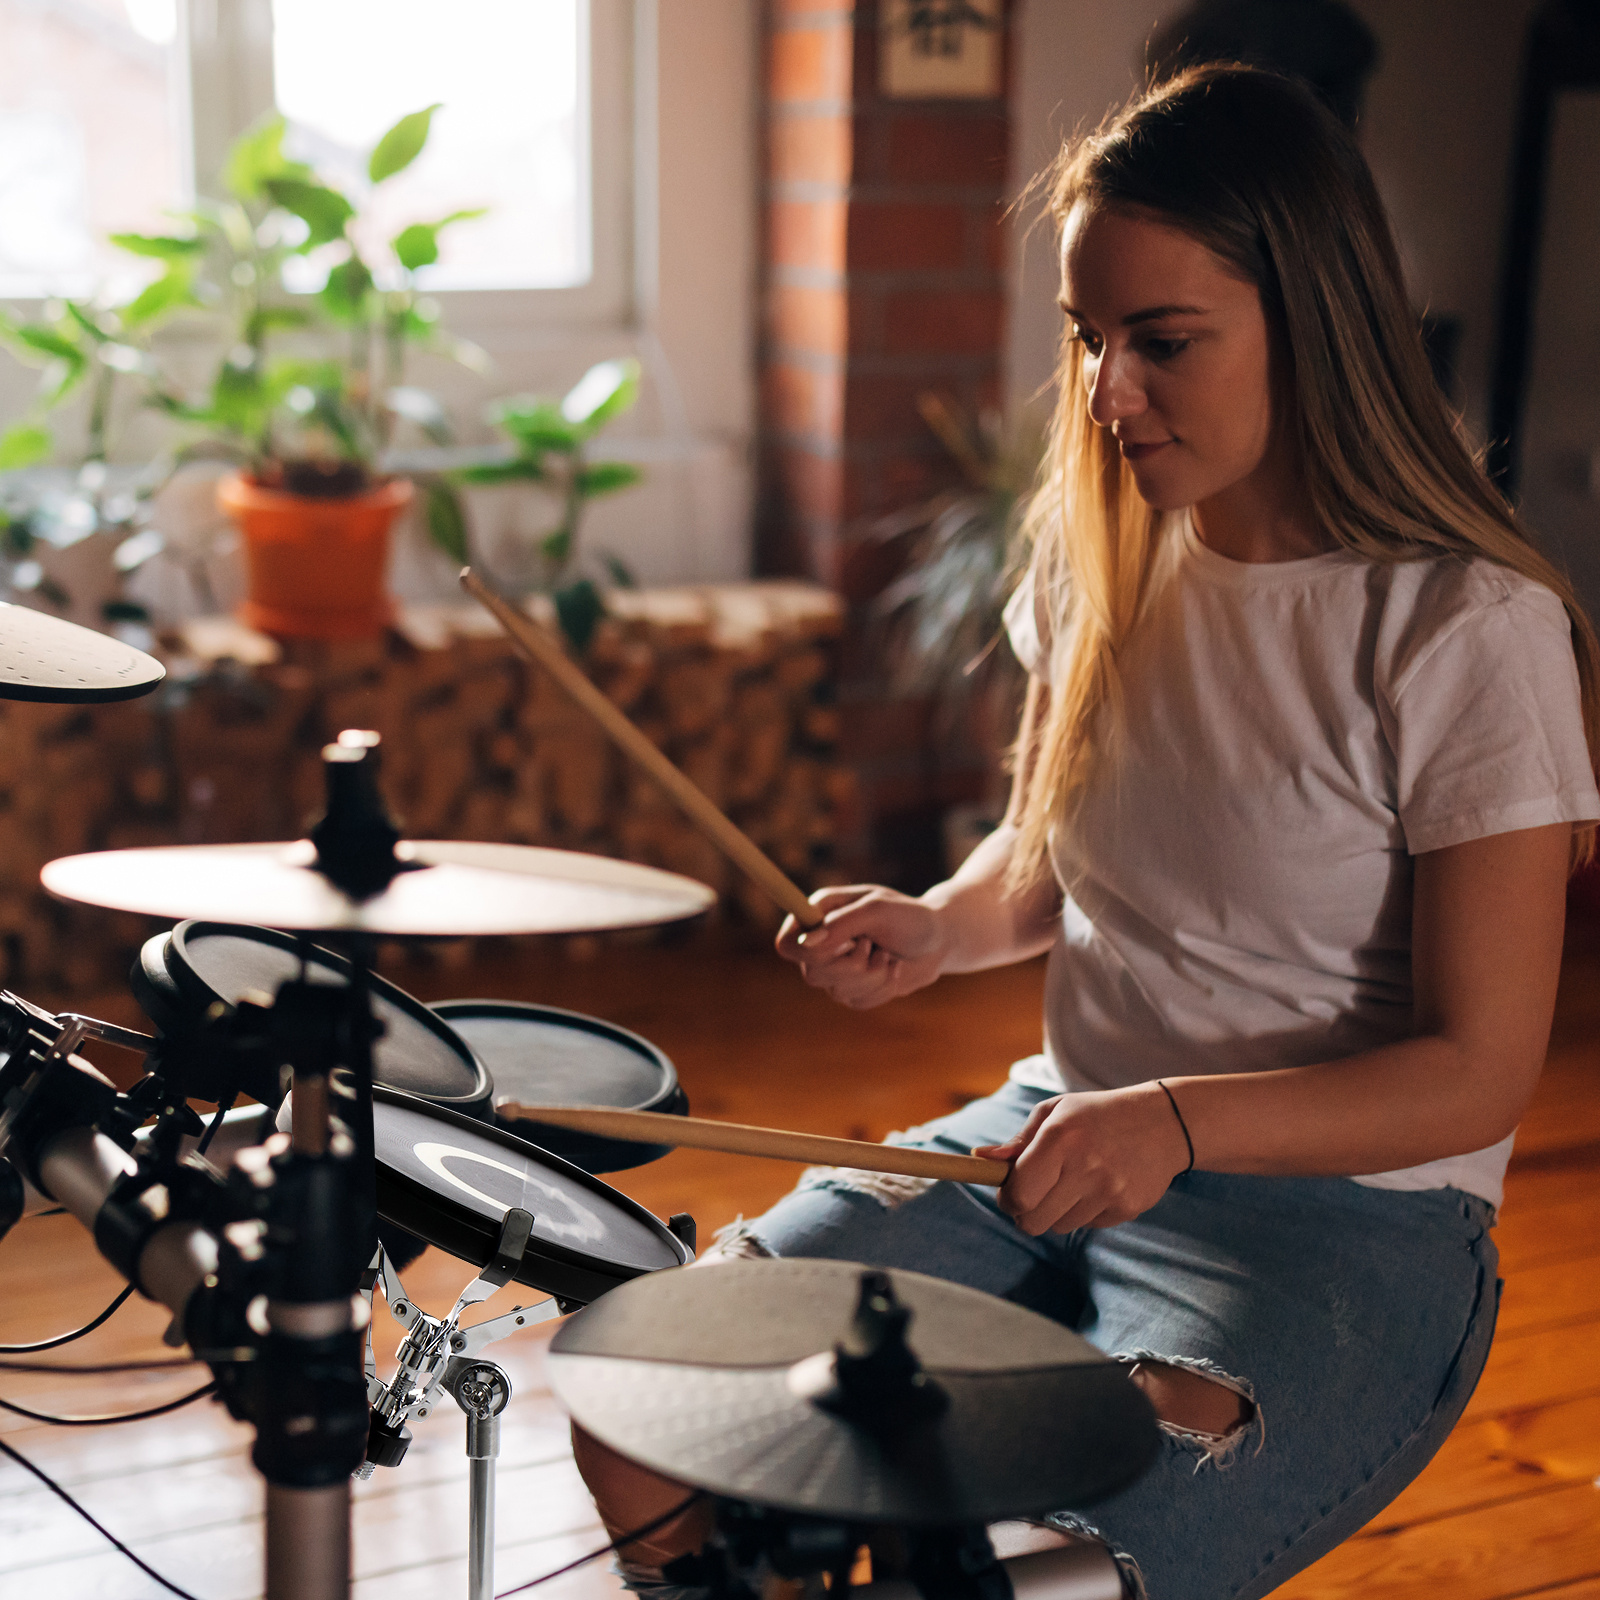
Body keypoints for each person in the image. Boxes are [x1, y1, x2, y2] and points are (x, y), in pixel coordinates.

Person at [573, 64, 1600, 1600]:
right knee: (645, 1389)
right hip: (1052, 1137)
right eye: (1090, 340)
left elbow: (1478, 1070)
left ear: (1314, 321)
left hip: (1337, 1231)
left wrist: (1178, 1121)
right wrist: (938, 921)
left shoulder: (1464, 628)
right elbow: (1042, 871)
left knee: (1025, 1577)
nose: (1107, 393)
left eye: (1163, 343)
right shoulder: (1103, 562)